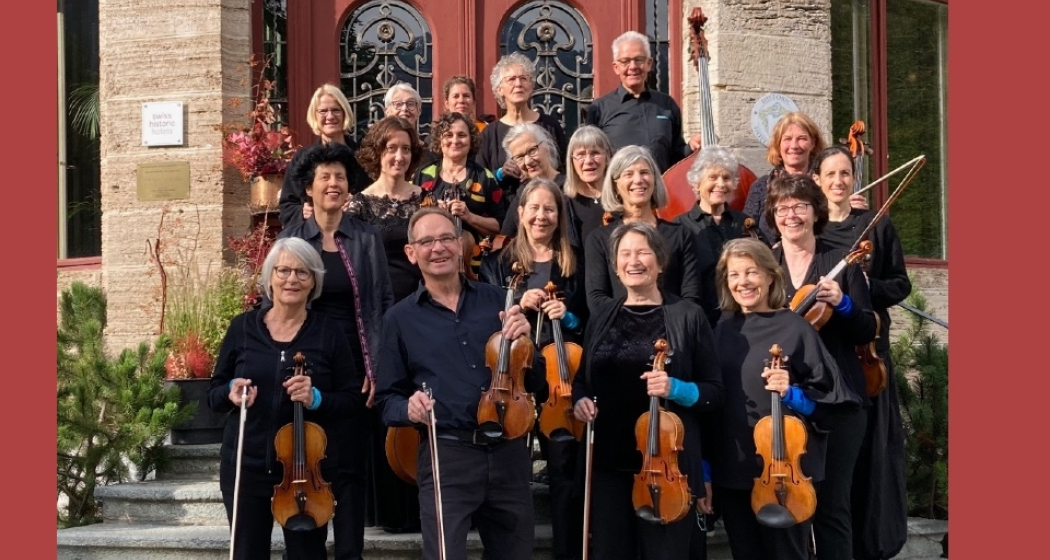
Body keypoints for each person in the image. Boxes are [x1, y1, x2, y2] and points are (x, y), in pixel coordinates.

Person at [375, 206, 548, 560]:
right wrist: (408, 408)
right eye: (426, 242)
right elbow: (386, 400)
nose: (437, 248)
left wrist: (527, 342)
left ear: (460, 245)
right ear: (411, 253)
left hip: (508, 453)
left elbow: (538, 384)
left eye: (445, 239)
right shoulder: (399, 319)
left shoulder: (498, 300)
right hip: (447, 455)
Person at [571, 221, 722, 560]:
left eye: (642, 252)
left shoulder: (687, 315)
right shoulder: (603, 315)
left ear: (660, 262)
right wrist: (580, 400)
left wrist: (676, 388)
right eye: (625, 254)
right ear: (615, 266)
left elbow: (715, 392)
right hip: (609, 464)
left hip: (667, 468)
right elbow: (583, 379)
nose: (633, 261)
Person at [209, 236, 363, 560]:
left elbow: (351, 400)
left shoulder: (329, 332)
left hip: (305, 473)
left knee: (306, 555)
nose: (291, 279)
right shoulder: (242, 329)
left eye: (302, 272)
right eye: (282, 271)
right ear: (269, 278)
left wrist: (317, 398)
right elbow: (213, 395)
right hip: (246, 465)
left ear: (313, 283)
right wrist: (230, 391)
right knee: (247, 553)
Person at [708, 237, 860, 560]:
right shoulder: (721, 330)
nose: (743, 282)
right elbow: (712, 402)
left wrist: (793, 394)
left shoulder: (795, 328)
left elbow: (836, 401)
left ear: (769, 276)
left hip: (785, 471)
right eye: (734, 275)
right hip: (734, 468)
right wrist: (706, 469)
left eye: (751, 272)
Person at [277, 142, 395, 560]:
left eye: (340, 177)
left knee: (348, 470)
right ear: (308, 188)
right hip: (305, 361)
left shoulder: (365, 237)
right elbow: (274, 302)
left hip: (354, 365)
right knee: (307, 465)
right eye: (325, 177)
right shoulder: (291, 238)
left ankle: (349, 554)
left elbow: (381, 303)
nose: (333, 183)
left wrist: (377, 366)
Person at [765, 173, 877, 560]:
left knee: (832, 508)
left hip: (839, 398)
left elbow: (866, 328)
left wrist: (844, 304)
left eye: (799, 206)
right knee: (788, 506)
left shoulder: (840, 262)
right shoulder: (768, 265)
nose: (790, 215)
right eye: (782, 208)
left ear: (816, 212)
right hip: (784, 397)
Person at [811, 145, 912, 560]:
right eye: (830, 174)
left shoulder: (875, 224)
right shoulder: (811, 231)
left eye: (845, 173)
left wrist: (861, 287)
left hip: (867, 355)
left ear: (854, 178)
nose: (838, 181)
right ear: (817, 181)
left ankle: (870, 544)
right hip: (823, 355)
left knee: (869, 457)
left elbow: (900, 285)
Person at [479, 178, 586, 560]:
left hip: (561, 383)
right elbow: (485, 327)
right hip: (515, 382)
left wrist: (568, 316)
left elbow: (591, 323)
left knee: (566, 476)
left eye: (550, 209)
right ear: (520, 213)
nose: (542, 216)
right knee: (509, 478)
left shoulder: (576, 261)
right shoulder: (496, 264)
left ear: (560, 216)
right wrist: (516, 304)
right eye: (534, 208)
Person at [584, 145, 703, 312]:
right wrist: (637, 325)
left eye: (645, 172)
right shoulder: (598, 239)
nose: (638, 180)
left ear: (655, 180)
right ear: (615, 185)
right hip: (618, 332)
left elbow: (691, 297)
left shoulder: (681, 235)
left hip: (671, 331)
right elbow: (597, 299)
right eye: (628, 174)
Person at [674, 146, 770, 327]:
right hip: (701, 321)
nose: (720, 184)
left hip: (743, 318)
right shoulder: (680, 227)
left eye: (726, 178)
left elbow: (765, 266)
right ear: (696, 183)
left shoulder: (745, 223)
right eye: (712, 177)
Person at [586, 31, 701, 174]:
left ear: (649, 64)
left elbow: (674, 156)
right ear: (616, 67)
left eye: (639, 59)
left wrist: (690, 146)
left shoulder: (667, 105)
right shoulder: (599, 109)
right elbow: (592, 158)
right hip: (617, 193)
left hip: (661, 192)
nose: (633, 66)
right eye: (625, 61)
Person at [415, 111, 507, 274]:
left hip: (474, 267)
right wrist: (434, 213)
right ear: (439, 140)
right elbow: (409, 220)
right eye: (448, 135)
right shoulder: (423, 176)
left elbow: (500, 226)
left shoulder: (484, 177)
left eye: (462, 135)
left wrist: (469, 217)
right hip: (429, 263)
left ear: (471, 140)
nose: (455, 141)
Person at [350, 116, 428, 302]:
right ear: (378, 152)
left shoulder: (426, 200)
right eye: (391, 148)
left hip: (422, 301)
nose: (400, 157)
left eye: (406, 149)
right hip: (377, 302)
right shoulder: (360, 205)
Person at [278, 84, 371, 228]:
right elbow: (287, 207)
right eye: (323, 111)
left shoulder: (363, 156)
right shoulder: (303, 158)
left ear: (345, 113)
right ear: (314, 116)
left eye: (336, 110)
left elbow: (377, 197)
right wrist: (302, 212)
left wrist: (357, 203)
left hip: (357, 238)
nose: (330, 116)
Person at [476, 52, 568, 196]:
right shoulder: (489, 134)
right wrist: (501, 174)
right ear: (499, 89)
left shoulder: (549, 125)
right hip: (505, 211)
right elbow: (479, 180)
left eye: (524, 78)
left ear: (531, 85)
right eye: (511, 79)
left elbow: (564, 169)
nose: (518, 84)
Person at [742, 111, 827, 242]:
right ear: (778, 144)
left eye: (802, 138)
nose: (794, 146)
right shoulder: (761, 187)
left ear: (813, 143)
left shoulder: (826, 184)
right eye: (787, 139)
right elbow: (746, 233)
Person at [497, 123, 565, 238]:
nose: (528, 161)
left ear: (547, 147)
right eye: (519, 157)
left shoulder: (570, 187)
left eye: (532, 151)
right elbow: (506, 237)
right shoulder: (522, 194)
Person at [561, 125, 613, 249]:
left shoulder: (621, 198)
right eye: (581, 155)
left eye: (595, 153)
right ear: (571, 162)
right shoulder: (564, 203)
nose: (588, 161)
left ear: (607, 157)